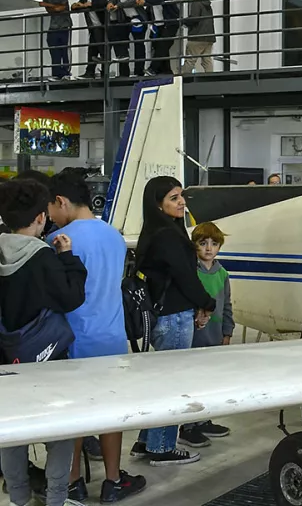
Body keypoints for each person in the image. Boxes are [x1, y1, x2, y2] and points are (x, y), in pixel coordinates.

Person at [45, 172, 147, 503]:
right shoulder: (115, 236)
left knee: (73, 416)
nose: (49, 216)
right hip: (112, 338)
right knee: (111, 413)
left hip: (73, 340)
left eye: (49, 208)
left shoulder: (58, 239)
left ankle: (72, 481)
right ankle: (113, 481)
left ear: (60, 201)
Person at [0, 179, 87, 506]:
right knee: (58, 432)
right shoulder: (43, 256)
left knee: (11, 433)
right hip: (47, 358)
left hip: (6, 360)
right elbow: (71, 298)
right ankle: (55, 499)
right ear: (40, 217)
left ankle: (18, 499)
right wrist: (68, 258)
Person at [129, 176, 214, 466]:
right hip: (173, 319)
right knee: (172, 384)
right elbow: (185, 276)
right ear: (158, 204)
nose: (182, 203)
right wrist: (207, 303)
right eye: (174, 198)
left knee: (160, 382)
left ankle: (146, 440)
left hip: (165, 316)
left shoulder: (157, 231)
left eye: (181, 196)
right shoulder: (167, 236)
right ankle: (162, 446)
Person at [178, 222, 233, 448]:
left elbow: (227, 304)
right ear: (195, 245)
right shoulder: (191, 272)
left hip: (214, 336)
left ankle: (203, 420)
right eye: (203, 243)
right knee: (192, 380)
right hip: (194, 336)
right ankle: (188, 426)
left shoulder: (222, 274)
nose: (209, 248)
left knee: (209, 381)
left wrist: (227, 331)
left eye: (214, 243)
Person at [106, 0, 148, 77]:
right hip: (126, 20)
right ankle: (124, 72)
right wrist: (110, 4)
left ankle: (139, 71)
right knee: (121, 42)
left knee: (138, 44)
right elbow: (112, 0)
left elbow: (134, 0)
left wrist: (119, 5)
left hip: (137, 18)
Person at [140, 0, 179, 75]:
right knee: (160, 48)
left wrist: (147, 1)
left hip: (169, 24)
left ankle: (153, 68)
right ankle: (167, 72)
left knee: (163, 46)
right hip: (157, 25)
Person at [71, 0, 107, 80]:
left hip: (101, 27)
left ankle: (104, 73)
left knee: (103, 51)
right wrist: (76, 5)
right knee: (92, 51)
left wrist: (85, 5)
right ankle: (89, 72)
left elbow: (100, 4)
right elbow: (74, 7)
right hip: (93, 28)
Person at [39, 0, 73, 81]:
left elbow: (62, 7)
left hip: (65, 24)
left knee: (64, 50)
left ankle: (66, 72)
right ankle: (56, 73)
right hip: (53, 26)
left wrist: (48, 5)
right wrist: (53, 7)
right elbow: (51, 10)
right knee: (54, 50)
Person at [181, 0, 216, 74]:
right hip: (209, 37)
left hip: (197, 36)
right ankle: (211, 78)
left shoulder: (196, 2)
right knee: (207, 60)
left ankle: (185, 79)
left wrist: (183, 21)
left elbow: (194, 18)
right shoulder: (207, 5)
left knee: (190, 60)